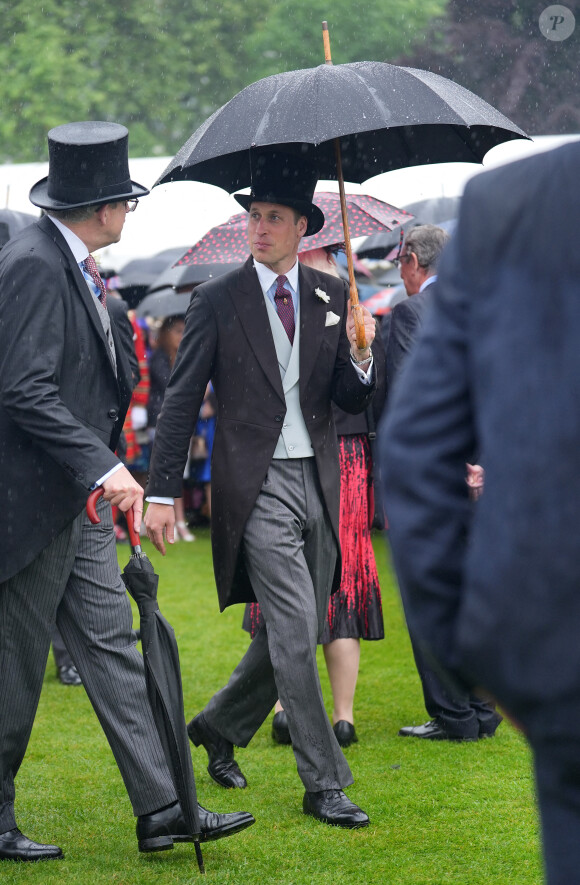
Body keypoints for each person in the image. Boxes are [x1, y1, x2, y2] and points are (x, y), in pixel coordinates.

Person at [0, 121, 253, 862]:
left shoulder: (66, 264)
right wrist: (105, 466)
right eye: (127, 203)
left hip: (68, 505)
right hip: (29, 508)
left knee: (116, 648)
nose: (127, 214)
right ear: (107, 207)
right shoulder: (36, 265)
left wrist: (102, 465)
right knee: (15, 672)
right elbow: (21, 389)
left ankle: (165, 807)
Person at [145, 150, 376, 829]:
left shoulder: (334, 296)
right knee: (298, 626)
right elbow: (180, 403)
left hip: (320, 477)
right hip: (256, 485)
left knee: (294, 624)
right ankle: (325, 779)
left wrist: (361, 354)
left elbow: (346, 396)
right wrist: (162, 492)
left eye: (273, 218)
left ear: (302, 226)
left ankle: (218, 725)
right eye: (254, 216)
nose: (259, 227)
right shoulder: (215, 299)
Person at [380, 141, 580, 884]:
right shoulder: (511, 208)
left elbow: (414, 446)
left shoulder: (511, 205)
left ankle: (457, 705)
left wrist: (487, 657)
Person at [243, 245, 386, 749]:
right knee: (323, 581)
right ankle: (326, 713)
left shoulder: (345, 318)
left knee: (315, 580)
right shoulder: (339, 311)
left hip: (334, 460)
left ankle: (298, 708)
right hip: (332, 458)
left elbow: (360, 390)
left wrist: (362, 350)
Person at [383, 224, 501, 742]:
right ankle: (481, 706)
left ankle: (454, 714)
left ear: (412, 260)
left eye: (399, 262)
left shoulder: (412, 313)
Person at [148, 315, 194, 540]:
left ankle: (180, 521)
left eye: (184, 330)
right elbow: (173, 387)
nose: (181, 335)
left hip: (184, 422)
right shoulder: (159, 358)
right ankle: (163, 520)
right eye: (176, 331)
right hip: (161, 422)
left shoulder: (186, 356)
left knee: (180, 474)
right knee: (162, 472)